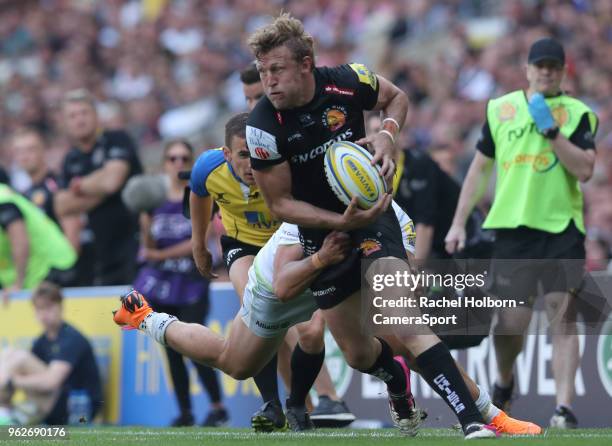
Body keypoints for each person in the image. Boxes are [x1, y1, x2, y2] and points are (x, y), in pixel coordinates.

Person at [244, 13, 494, 439]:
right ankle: (397, 382)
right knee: (360, 355)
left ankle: (472, 420)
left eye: (277, 69)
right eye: (264, 71)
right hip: (323, 238)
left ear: (306, 64)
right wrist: (336, 222)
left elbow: (396, 98)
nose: (269, 81)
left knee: (406, 319)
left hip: (374, 223)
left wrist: (387, 135)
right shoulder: (263, 128)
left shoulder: (347, 80)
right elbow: (278, 203)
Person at [113, 201, 540, 436]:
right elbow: (284, 284)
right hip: (283, 288)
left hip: (335, 283)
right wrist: (322, 257)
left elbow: (404, 279)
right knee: (234, 362)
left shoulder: (397, 220)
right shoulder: (309, 219)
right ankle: (146, 317)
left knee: (377, 347)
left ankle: (486, 414)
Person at [445, 37, 597, 429]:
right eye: (539, 65)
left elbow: (583, 169)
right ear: (527, 69)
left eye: (553, 66)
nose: (546, 71)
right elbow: (478, 170)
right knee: (511, 324)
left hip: (562, 228)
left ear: (563, 72)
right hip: (512, 229)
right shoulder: (501, 109)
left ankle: (563, 408)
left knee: (562, 317)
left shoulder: (579, 113)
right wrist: (459, 221)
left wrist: (552, 132)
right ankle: (504, 380)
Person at [190, 113, 352, 431]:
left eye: (257, 154)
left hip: (290, 247)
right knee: (261, 315)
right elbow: (198, 194)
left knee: (310, 332)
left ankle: (301, 405)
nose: (252, 164)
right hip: (243, 247)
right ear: (226, 155)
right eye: (242, 155)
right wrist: (199, 244)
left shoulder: (286, 165)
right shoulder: (207, 167)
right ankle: (271, 403)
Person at [132, 140, 228, 427]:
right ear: (164, 163)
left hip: (192, 282)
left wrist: (158, 254)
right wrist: (146, 222)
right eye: (172, 158)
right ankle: (185, 411)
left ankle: (217, 406)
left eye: (184, 158)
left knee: (197, 344)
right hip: (161, 285)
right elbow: (147, 245)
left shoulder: (200, 196)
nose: (178, 163)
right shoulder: (153, 202)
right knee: (171, 348)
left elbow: (197, 242)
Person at [54, 89, 143, 286]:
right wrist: (101, 186)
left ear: (95, 115)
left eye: (84, 113)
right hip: (102, 252)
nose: (79, 120)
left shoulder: (117, 139)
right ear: (66, 123)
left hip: (136, 244)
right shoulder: (70, 159)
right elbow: (62, 206)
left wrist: (78, 187)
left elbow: (112, 181)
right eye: (73, 116)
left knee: (144, 313)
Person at [0, 282, 102, 425]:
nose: (44, 314)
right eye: (39, 309)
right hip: (53, 407)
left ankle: (4, 411)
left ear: (60, 307)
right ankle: (4, 410)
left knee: (19, 358)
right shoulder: (40, 342)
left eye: (48, 307)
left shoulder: (72, 338)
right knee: (8, 353)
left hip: (80, 414)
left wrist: (13, 381)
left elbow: (51, 382)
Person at [11, 127, 95, 286]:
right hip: (41, 276)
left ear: (43, 151)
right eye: (19, 151)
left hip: (64, 278)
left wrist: (64, 275)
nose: (24, 156)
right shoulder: (23, 194)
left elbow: (73, 235)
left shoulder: (58, 186)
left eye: (30, 149)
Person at [0, 184, 77, 303]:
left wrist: (17, 285)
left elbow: (20, 242)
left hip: (50, 268)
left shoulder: (3, 201)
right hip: (33, 275)